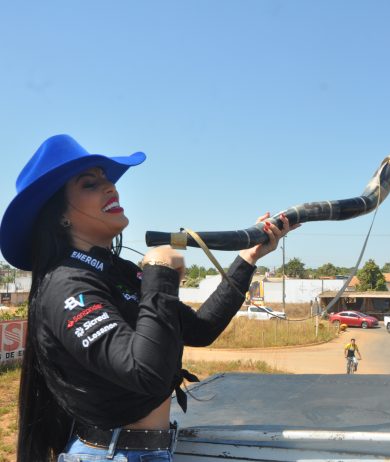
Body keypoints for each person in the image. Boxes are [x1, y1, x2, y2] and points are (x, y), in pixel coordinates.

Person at [0, 134, 297, 462]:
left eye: (107, 179)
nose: (111, 188)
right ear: (59, 216)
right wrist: (160, 275)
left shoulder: (118, 271)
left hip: (148, 450)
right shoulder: (66, 285)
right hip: (110, 454)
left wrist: (248, 258)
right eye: (90, 184)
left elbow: (201, 329)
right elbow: (146, 372)